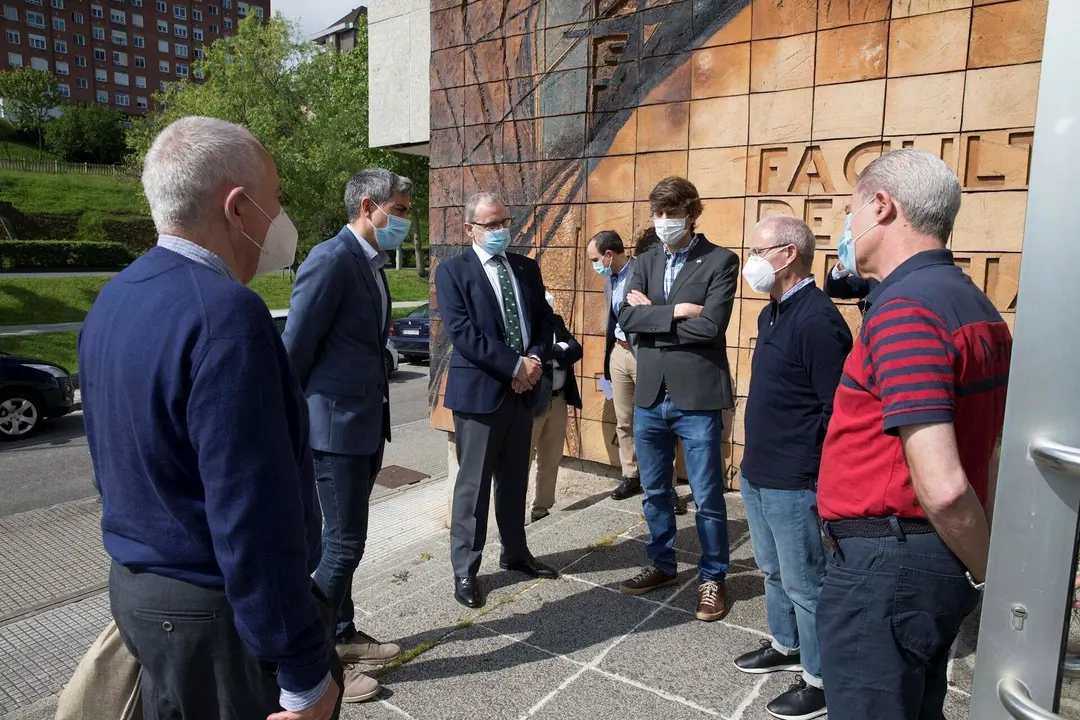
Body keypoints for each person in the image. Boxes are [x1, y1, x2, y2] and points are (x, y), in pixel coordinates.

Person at [78, 116, 341, 720]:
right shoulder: (228, 315)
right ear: (238, 207)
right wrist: (303, 671)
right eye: (276, 198)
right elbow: (253, 510)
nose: (282, 216)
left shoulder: (114, 297)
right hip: (218, 616)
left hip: (139, 594)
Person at [816, 148, 1011, 719]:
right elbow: (988, 450)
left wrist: (988, 571)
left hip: (887, 569)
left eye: (849, 214)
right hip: (917, 563)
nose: (845, 231)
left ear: (882, 207)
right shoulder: (974, 305)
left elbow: (945, 484)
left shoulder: (907, 311)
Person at [282, 168, 412, 703]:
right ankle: (308, 665)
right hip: (334, 432)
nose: (406, 220)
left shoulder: (369, 263)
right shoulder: (331, 259)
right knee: (342, 547)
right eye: (400, 210)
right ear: (368, 206)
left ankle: (342, 635)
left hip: (362, 426)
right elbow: (294, 350)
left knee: (346, 545)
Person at [733, 216, 852, 720]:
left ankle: (821, 679)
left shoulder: (819, 320)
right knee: (773, 570)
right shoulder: (772, 312)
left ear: (787, 255)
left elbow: (837, 410)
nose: (751, 261)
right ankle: (787, 646)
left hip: (793, 478)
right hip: (758, 469)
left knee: (807, 582)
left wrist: (817, 476)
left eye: (758, 251)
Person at [616, 176, 739, 623]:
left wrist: (653, 320)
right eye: (658, 214)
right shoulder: (644, 261)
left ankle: (713, 578)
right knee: (654, 491)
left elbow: (711, 328)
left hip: (697, 396)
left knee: (706, 495)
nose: (664, 222)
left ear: (692, 213)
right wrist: (676, 312)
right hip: (650, 394)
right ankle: (663, 563)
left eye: (672, 213)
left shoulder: (720, 260)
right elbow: (627, 319)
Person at [434, 191, 558, 609]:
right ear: (470, 228)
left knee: (515, 479)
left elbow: (543, 321)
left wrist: (535, 360)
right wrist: (514, 367)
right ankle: (465, 569)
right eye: (492, 224)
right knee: (473, 488)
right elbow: (464, 334)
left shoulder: (525, 267)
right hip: (481, 394)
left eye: (505, 222)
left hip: (525, 391)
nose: (502, 230)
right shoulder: (452, 272)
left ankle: (516, 552)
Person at [588, 230, 685, 513]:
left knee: (659, 420)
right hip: (618, 352)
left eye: (596, 258)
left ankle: (667, 487)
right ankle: (631, 475)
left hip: (645, 353)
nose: (594, 264)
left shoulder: (643, 272)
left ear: (609, 254)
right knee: (624, 419)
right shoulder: (609, 278)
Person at [526, 290, 583, 523]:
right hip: (532, 401)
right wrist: (557, 351)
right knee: (522, 459)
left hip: (558, 399)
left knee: (550, 458)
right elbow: (532, 356)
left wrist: (555, 351)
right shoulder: (525, 326)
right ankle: (513, 511)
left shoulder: (556, 321)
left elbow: (576, 348)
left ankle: (541, 508)